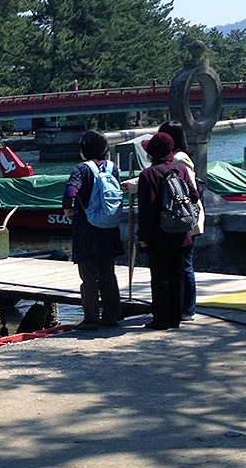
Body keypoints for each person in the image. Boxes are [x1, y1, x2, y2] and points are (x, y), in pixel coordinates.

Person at [62, 129, 125, 331]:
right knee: (108, 273)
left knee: (88, 276)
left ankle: (90, 319)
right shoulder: (113, 168)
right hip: (109, 228)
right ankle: (111, 315)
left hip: (87, 230)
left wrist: (68, 209)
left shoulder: (82, 169)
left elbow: (70, 190)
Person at [136, 131, 199, 330]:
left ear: (152, 153)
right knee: (177, 276)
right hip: (182, 233)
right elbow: (194, 196)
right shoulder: (181, 169)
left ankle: (161, 319)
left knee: (160, 278)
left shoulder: (148, 174)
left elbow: (146, 209)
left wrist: (143, 237)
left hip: (159, 236)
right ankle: (175, 318)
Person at [156, 121, 204, 320]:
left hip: (184, 217)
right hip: (184, 216)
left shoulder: (179, 160)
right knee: (184, 263)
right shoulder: (181, 157)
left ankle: (188, 308)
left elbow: (190, 190)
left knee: (185, 264)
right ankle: (184, 306)